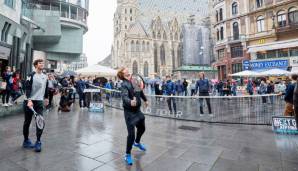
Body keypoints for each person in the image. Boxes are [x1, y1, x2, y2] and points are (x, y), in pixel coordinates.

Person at [117, 68, 148, 165]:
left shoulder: (134, 80)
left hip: (137, 110)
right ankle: (127, 155)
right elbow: (124, 96)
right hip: (129, 112)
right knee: (131, 135)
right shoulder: (124, 84)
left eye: (127, 69)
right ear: (122, 74)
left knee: (142, 127)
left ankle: (137, 142)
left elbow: (140, 91)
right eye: (125, 69)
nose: (127, 70)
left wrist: (145, 100)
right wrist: (130, 101)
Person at [23, 59, 49, 152]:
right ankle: (26, 140)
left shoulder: (45, 76)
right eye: (40, 63)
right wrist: (29, 99)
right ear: (35, 65)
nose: (42, 64)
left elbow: (46, 88)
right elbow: (27, 87)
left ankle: (38, 142)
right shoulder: (31, 75)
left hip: (39, 102)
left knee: (40, 121)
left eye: (42, 63)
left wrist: (46, 98)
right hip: (29, 102)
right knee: (27, 122)